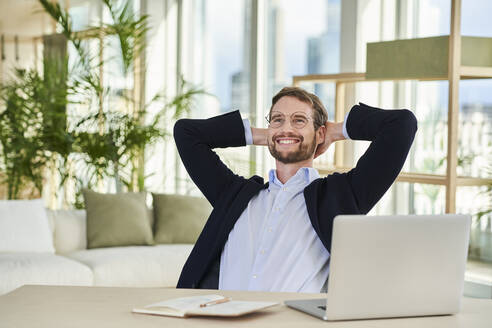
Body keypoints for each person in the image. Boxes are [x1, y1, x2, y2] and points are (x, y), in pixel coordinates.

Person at [173, 86, 417, 292]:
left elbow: (401, 125)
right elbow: (186, 132)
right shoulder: (234, 195)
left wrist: (335, 131)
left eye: (299, 120)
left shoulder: (341, 196)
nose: (286, 128)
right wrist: (268, 135)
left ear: (320, 133)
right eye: (277, 119)